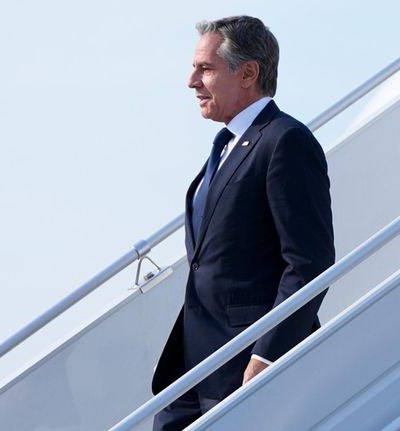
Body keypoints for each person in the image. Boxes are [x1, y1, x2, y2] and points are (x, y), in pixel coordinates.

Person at [151, 15, 335, 430]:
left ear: (248, 72)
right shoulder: (228, 147)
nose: (192, 81)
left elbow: (310, 263)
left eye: (206, 68)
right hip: (193, 368)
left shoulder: (284, 140)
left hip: (243, 366)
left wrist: (266, 355)